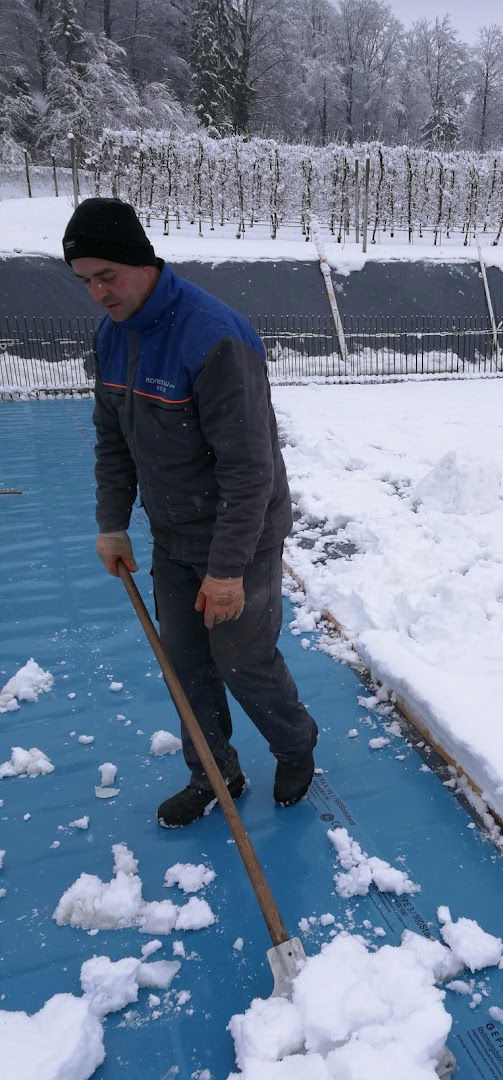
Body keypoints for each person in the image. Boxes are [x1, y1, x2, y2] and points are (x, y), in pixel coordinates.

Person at [63, 197, 318, 827]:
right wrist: (112, 522)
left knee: (242, 659)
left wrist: (228, 569)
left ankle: (294, 744)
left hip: (241, 537)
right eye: (84, 281)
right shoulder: (112, 335)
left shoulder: (214, 338)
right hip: (172, 532)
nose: (97, 293)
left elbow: (249, 469)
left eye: (106, 276)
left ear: (141, 262)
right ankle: (213, 773)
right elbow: (112, 438)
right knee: (185, 662)